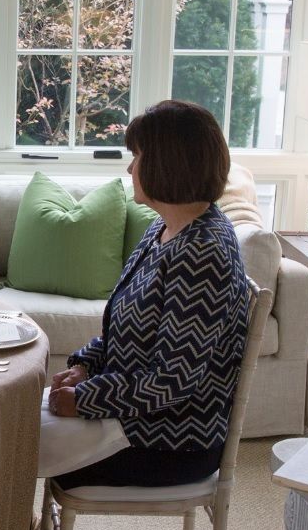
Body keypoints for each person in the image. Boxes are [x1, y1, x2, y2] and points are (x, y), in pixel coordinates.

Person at [45, 99, 250, 488]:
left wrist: (86, 399)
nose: (130, 169)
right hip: (134, 417)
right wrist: (85, 366)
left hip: (170, 442)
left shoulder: (203, 253)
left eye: (137, 156)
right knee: (8, 426)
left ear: (165, 164)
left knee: (10, 445)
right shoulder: (165, 229)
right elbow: (127, 334)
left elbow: (173, 381)